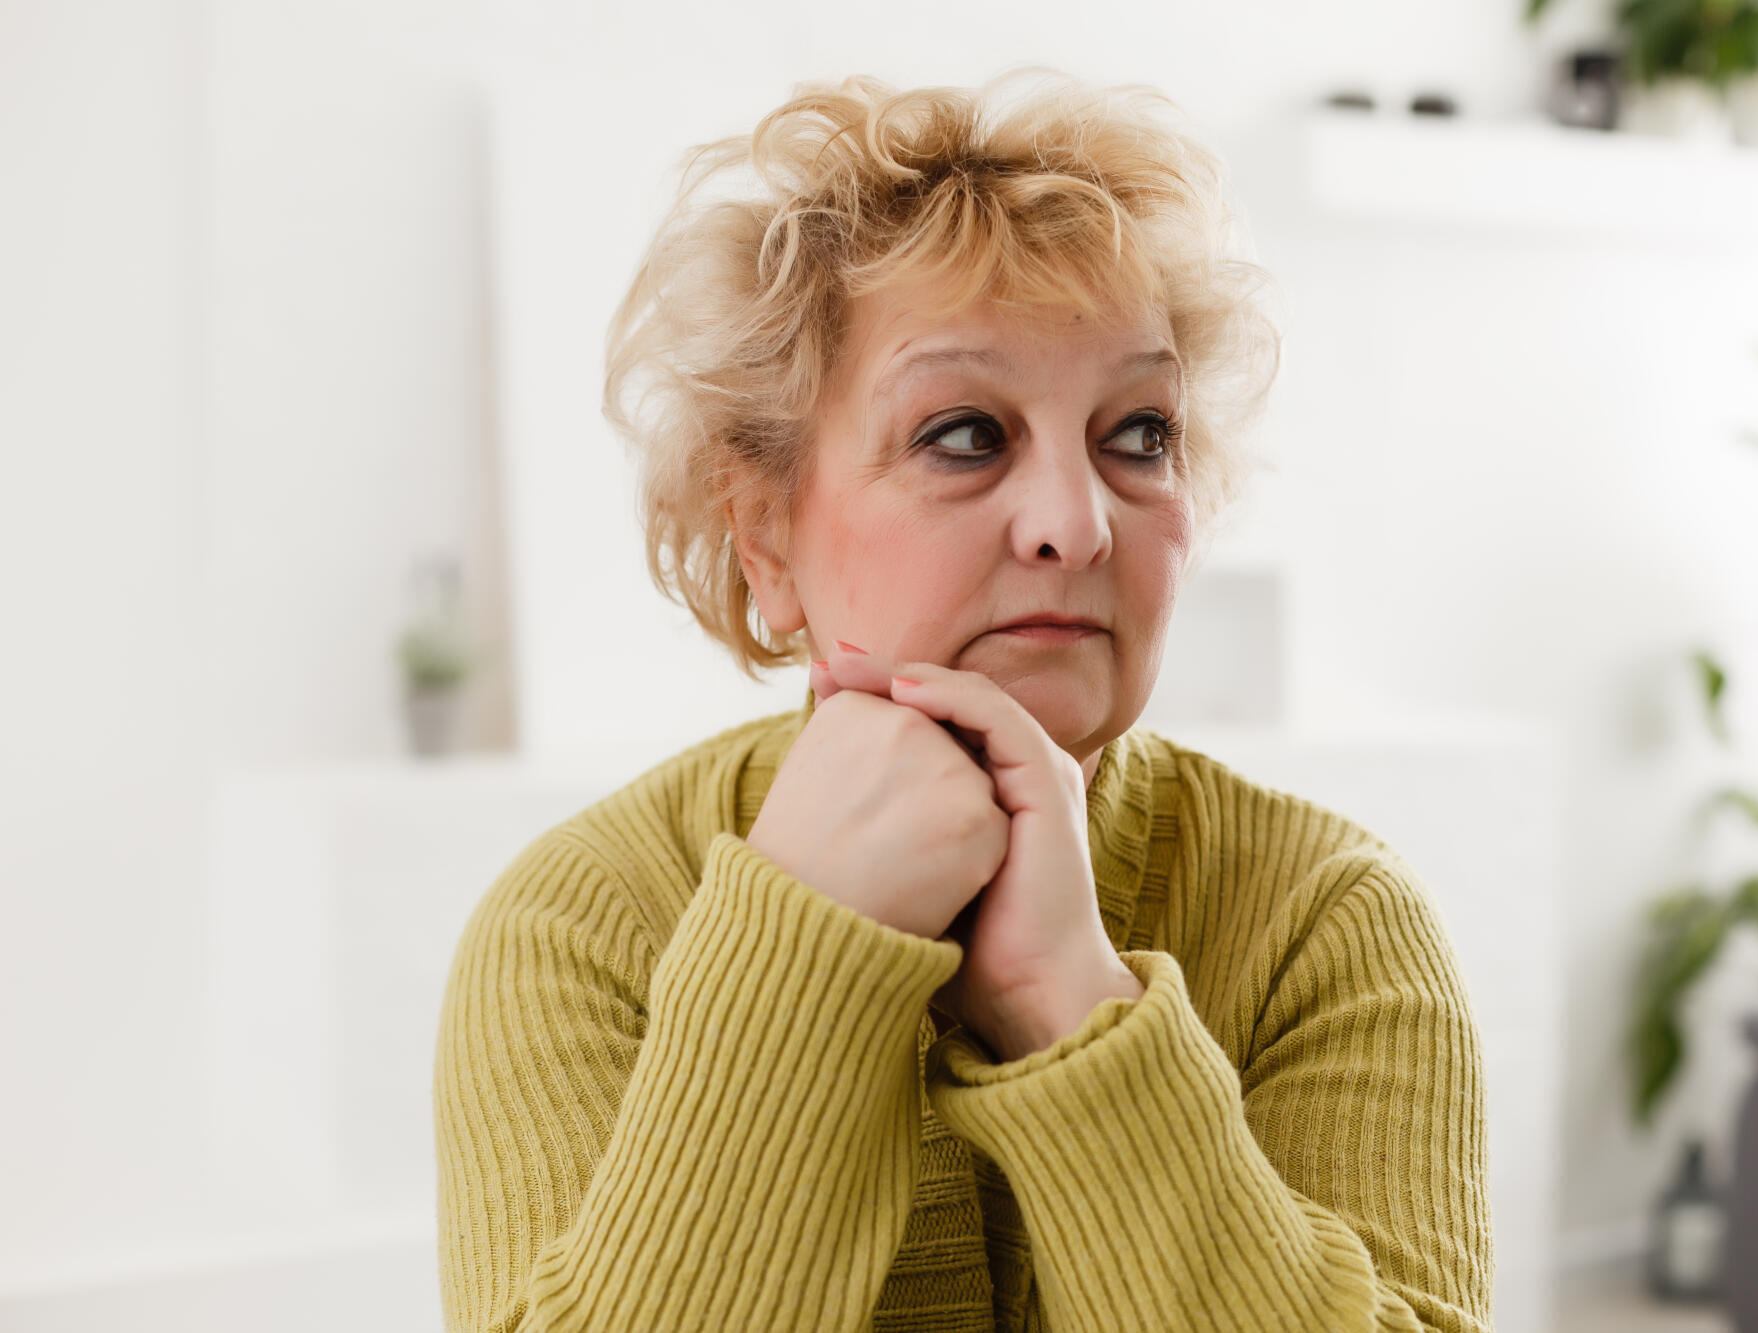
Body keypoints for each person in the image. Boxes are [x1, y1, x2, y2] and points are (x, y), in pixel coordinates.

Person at [433, 68, 1492, 1333]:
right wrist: (808, 944)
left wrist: (1073, 1010)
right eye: (964, 435)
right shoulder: (585, 923)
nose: (1075, 522)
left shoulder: (1326, 922)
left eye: (1137, 433)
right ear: (764, 533)